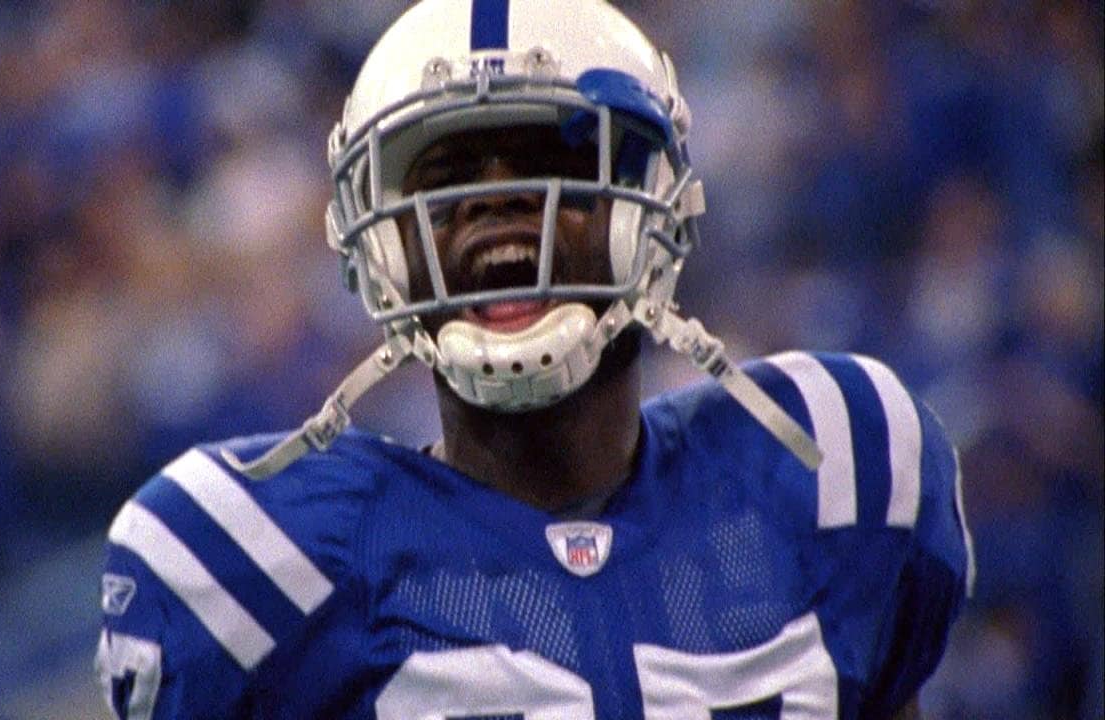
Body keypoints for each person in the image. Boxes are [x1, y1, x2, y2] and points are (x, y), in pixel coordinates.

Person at [94, 1, 974, 717]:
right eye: (448, 180)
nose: (503, 208)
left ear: (647, 211)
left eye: (555, 156)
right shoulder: (270, 561)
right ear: (384, 248)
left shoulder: (823, 470)